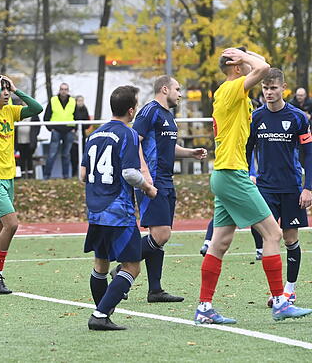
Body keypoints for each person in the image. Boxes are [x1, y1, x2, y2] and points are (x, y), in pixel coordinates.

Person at [195, 47, 312, 325]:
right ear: (236, 68)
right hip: (233, 174)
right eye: (243, 65)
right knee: (273, 234)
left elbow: (262, 67)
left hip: (224, 174)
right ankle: (280, 302)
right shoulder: (231, 88)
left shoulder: (236, 93)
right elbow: (263, 67)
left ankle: (204, 307)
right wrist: (244, 56)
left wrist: (245, 55)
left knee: (220, 243)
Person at [83, 85, 157, 331]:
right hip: (118, 211)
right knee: (132, 266)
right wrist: (148, 188)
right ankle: (100, 314)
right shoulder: (129, 134)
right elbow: (129, 173)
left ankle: (103, 312)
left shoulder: (94, 134)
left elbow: (82, 175)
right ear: (131, 110)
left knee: (101, 264)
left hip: (95, 210)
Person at [127, 75, 207, 303]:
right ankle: (124, 268)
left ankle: (155, 290)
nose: (180, 94)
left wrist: (190, 153)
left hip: (166, 179)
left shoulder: (168, 115)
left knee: (158, 236)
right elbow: (135, 141)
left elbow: (167, 147)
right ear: (164, 89)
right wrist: (144, 174)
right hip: (153, 180)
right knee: (162, 234)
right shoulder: (149, 111)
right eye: (177, 89)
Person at [247, 68, 312, 307]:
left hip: (291, 187)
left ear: (283, 88)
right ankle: (276, 293)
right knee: (268, 237)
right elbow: (247, 149)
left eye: (273, 88)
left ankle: (289, 291)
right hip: (264, 187)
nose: (269, 92)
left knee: (290, 238)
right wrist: (248, 174)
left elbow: (309, 154)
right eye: (265, 88)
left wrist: (308, 187)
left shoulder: (298, 117)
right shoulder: (255, 117)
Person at [0, 75, 42, 294]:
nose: (5, 93)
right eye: (0, 89)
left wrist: (16, 90)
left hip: (7, 177)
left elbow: (37, 108)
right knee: (12, 224)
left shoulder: (10, 111)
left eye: (7, 89)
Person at [43, 83, 76, 179]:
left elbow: (77, 115)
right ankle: (46, 176)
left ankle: (65, 176)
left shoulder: (73, 101)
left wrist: (75, 129)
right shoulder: (53, 100)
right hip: (56, 130)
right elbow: (46, 116)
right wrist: (50, 128)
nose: (63, 91)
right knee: (52, 154)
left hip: (69, 130)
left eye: (65, 89)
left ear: (68, 90)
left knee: (66, 154)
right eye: (62, 89)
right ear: (59, 90)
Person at [15, 107, 40, 180]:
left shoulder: (34, 114)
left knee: (29, 157)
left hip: (30, 141)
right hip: (20, 140)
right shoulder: (18, 112)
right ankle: (22, 174)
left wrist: (34, 136)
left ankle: (30, 174)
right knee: (21, 158)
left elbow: (37, 127)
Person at [70, 95, 91, 177]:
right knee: (73, 156)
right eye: (79, 100)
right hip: (73, 135)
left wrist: (81, 126)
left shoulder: (85, 109)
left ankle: (84, 174)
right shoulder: (72, 109)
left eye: (82, 100)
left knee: (83, 155)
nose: (80, 102)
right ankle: (74, 174)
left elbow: (87, 123)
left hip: (82, 135)